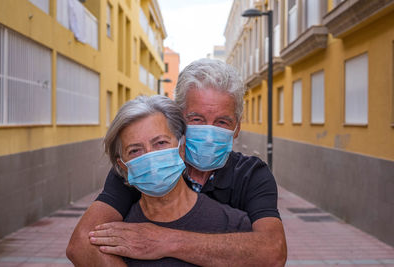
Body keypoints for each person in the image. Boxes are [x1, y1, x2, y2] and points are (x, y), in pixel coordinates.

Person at [67, 59, 287, 267]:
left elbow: (272, 253)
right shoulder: (143, 167)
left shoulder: (251, 174)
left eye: (222, 122)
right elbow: (82, 243)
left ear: (237, 127)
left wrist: (165, 241)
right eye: (197, 119)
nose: (209, 134)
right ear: (179, 118)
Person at [95, 95, 251, 266]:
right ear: (123, 165)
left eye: (160, 143)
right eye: (135, 151)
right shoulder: (115, 237)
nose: (150, 157)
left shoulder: (234, 225)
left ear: (182, 149)